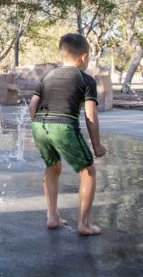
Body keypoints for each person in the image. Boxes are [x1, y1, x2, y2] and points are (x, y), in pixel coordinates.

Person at [28, 33, 106, 236]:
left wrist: (38, 126)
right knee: (88, 171)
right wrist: (96, 145)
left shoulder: (48, 76)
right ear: (84, 56)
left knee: (52, 167)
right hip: (63, 127)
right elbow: (90, 114)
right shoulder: (86, 79)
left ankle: (52, 216)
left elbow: (32, 105)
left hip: (40, 125)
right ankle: (84, 224)